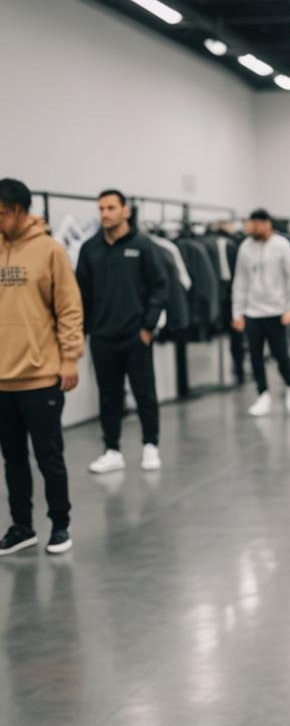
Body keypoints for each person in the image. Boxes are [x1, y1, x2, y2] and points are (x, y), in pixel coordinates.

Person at [0, 177, 83, 555]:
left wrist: (69, 358)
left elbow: (69, 308)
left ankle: (60, 525)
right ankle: (21, 526)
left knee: (49, 456)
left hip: (41, 376)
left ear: (19, 211)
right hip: (3, 379)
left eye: (1, 213)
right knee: (12, 457)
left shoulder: (50, 250)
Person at [76, 189, 169, 474]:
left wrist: (147, 326)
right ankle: (112, 450)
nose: (105, 213)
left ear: (125, 211)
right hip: (102, 337)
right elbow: (81, 294)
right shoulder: (90, 248)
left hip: (135, 335)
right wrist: (83, 331)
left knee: (144, 393)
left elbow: (160, 285)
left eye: (111, 208)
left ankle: (150, 445)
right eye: (101, 208)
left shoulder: (143, 245)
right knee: (108, 395)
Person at [232, 208, 290, 417]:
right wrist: (237, 312)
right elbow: (240, 280)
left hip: (277, 311)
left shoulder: (282, 246)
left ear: (266, 224)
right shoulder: (245, 247)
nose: (251, 229)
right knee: (254, 356)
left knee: (281, 355)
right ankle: (263, 394)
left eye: (255, 225)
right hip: (252, 312)